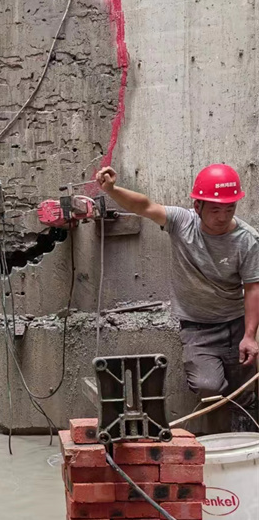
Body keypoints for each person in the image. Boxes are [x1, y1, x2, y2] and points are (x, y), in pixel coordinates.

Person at [96, 163, 259, 430]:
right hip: (197, 328)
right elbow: (144, 206)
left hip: (235, 324)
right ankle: (215, 441)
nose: (223, 216)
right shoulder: (182, 223)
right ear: (198, 207)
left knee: (244, 393)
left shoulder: (247, 240)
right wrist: (112, 189)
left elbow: (253, 287)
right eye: (216, 209)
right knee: (210, 387)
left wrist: (250, 335)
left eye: (230, 208)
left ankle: (248, 445)